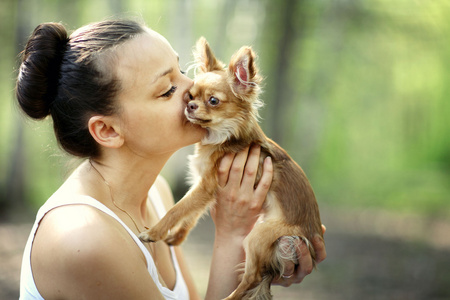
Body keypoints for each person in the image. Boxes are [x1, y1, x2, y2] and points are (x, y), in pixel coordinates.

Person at [16, 19, 326, 299]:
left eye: (182, 71)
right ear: (108, 130)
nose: (192, 88)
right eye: (167, 89)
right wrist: (233, 235)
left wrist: (259, 261)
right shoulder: (84, 239)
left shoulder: (157, 194)